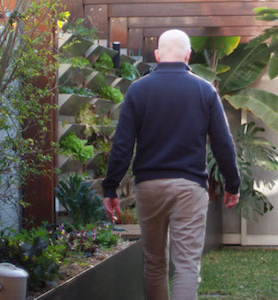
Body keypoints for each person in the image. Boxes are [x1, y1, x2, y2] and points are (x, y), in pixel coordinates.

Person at [100, 29, 241, 300]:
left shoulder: (138, 90)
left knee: (154, 264)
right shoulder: (204, 90)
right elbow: (223, 143)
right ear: (188, 55)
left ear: (157, 55)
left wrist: (110, 187)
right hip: (190, 187)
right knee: (187, 266)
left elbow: (122, 144)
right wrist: (232, 183)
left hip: (149, 187)